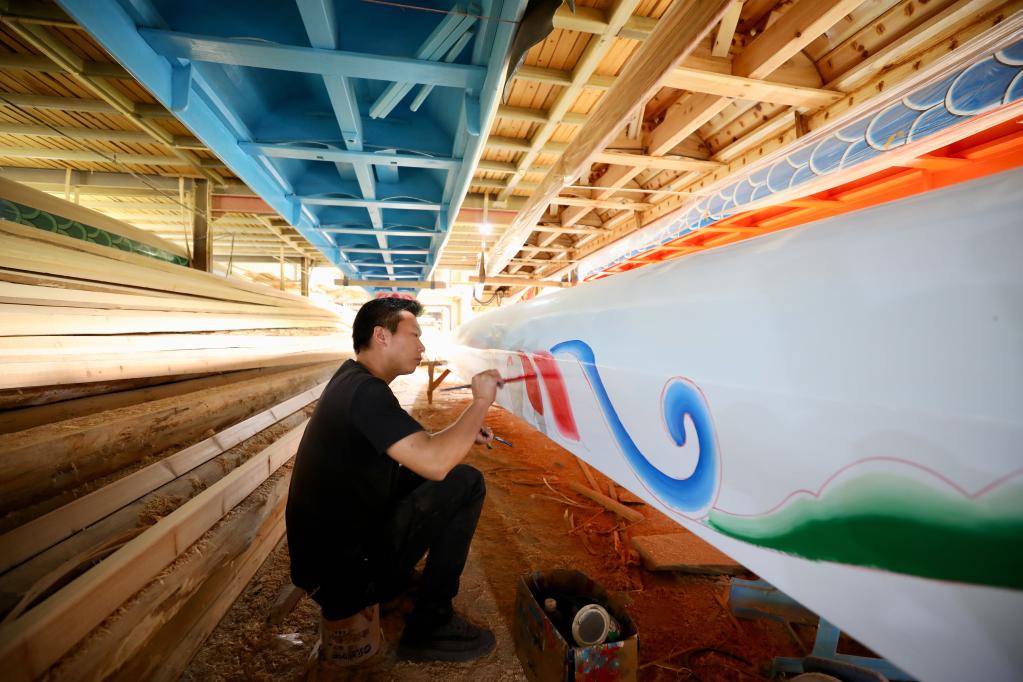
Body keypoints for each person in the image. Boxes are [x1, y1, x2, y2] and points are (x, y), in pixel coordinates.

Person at [285, 296, 503, 664]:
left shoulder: (352, 380)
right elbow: (435, 462)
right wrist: (480, 402)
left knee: (420, 470)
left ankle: (390, 583)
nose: (422, 347)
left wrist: (465, 430)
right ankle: (431, 624)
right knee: (465, 481)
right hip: (342, 579)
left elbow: (421, 447)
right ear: (381, 336)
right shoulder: (366, 392)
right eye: (414, 335)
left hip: (323, 564)